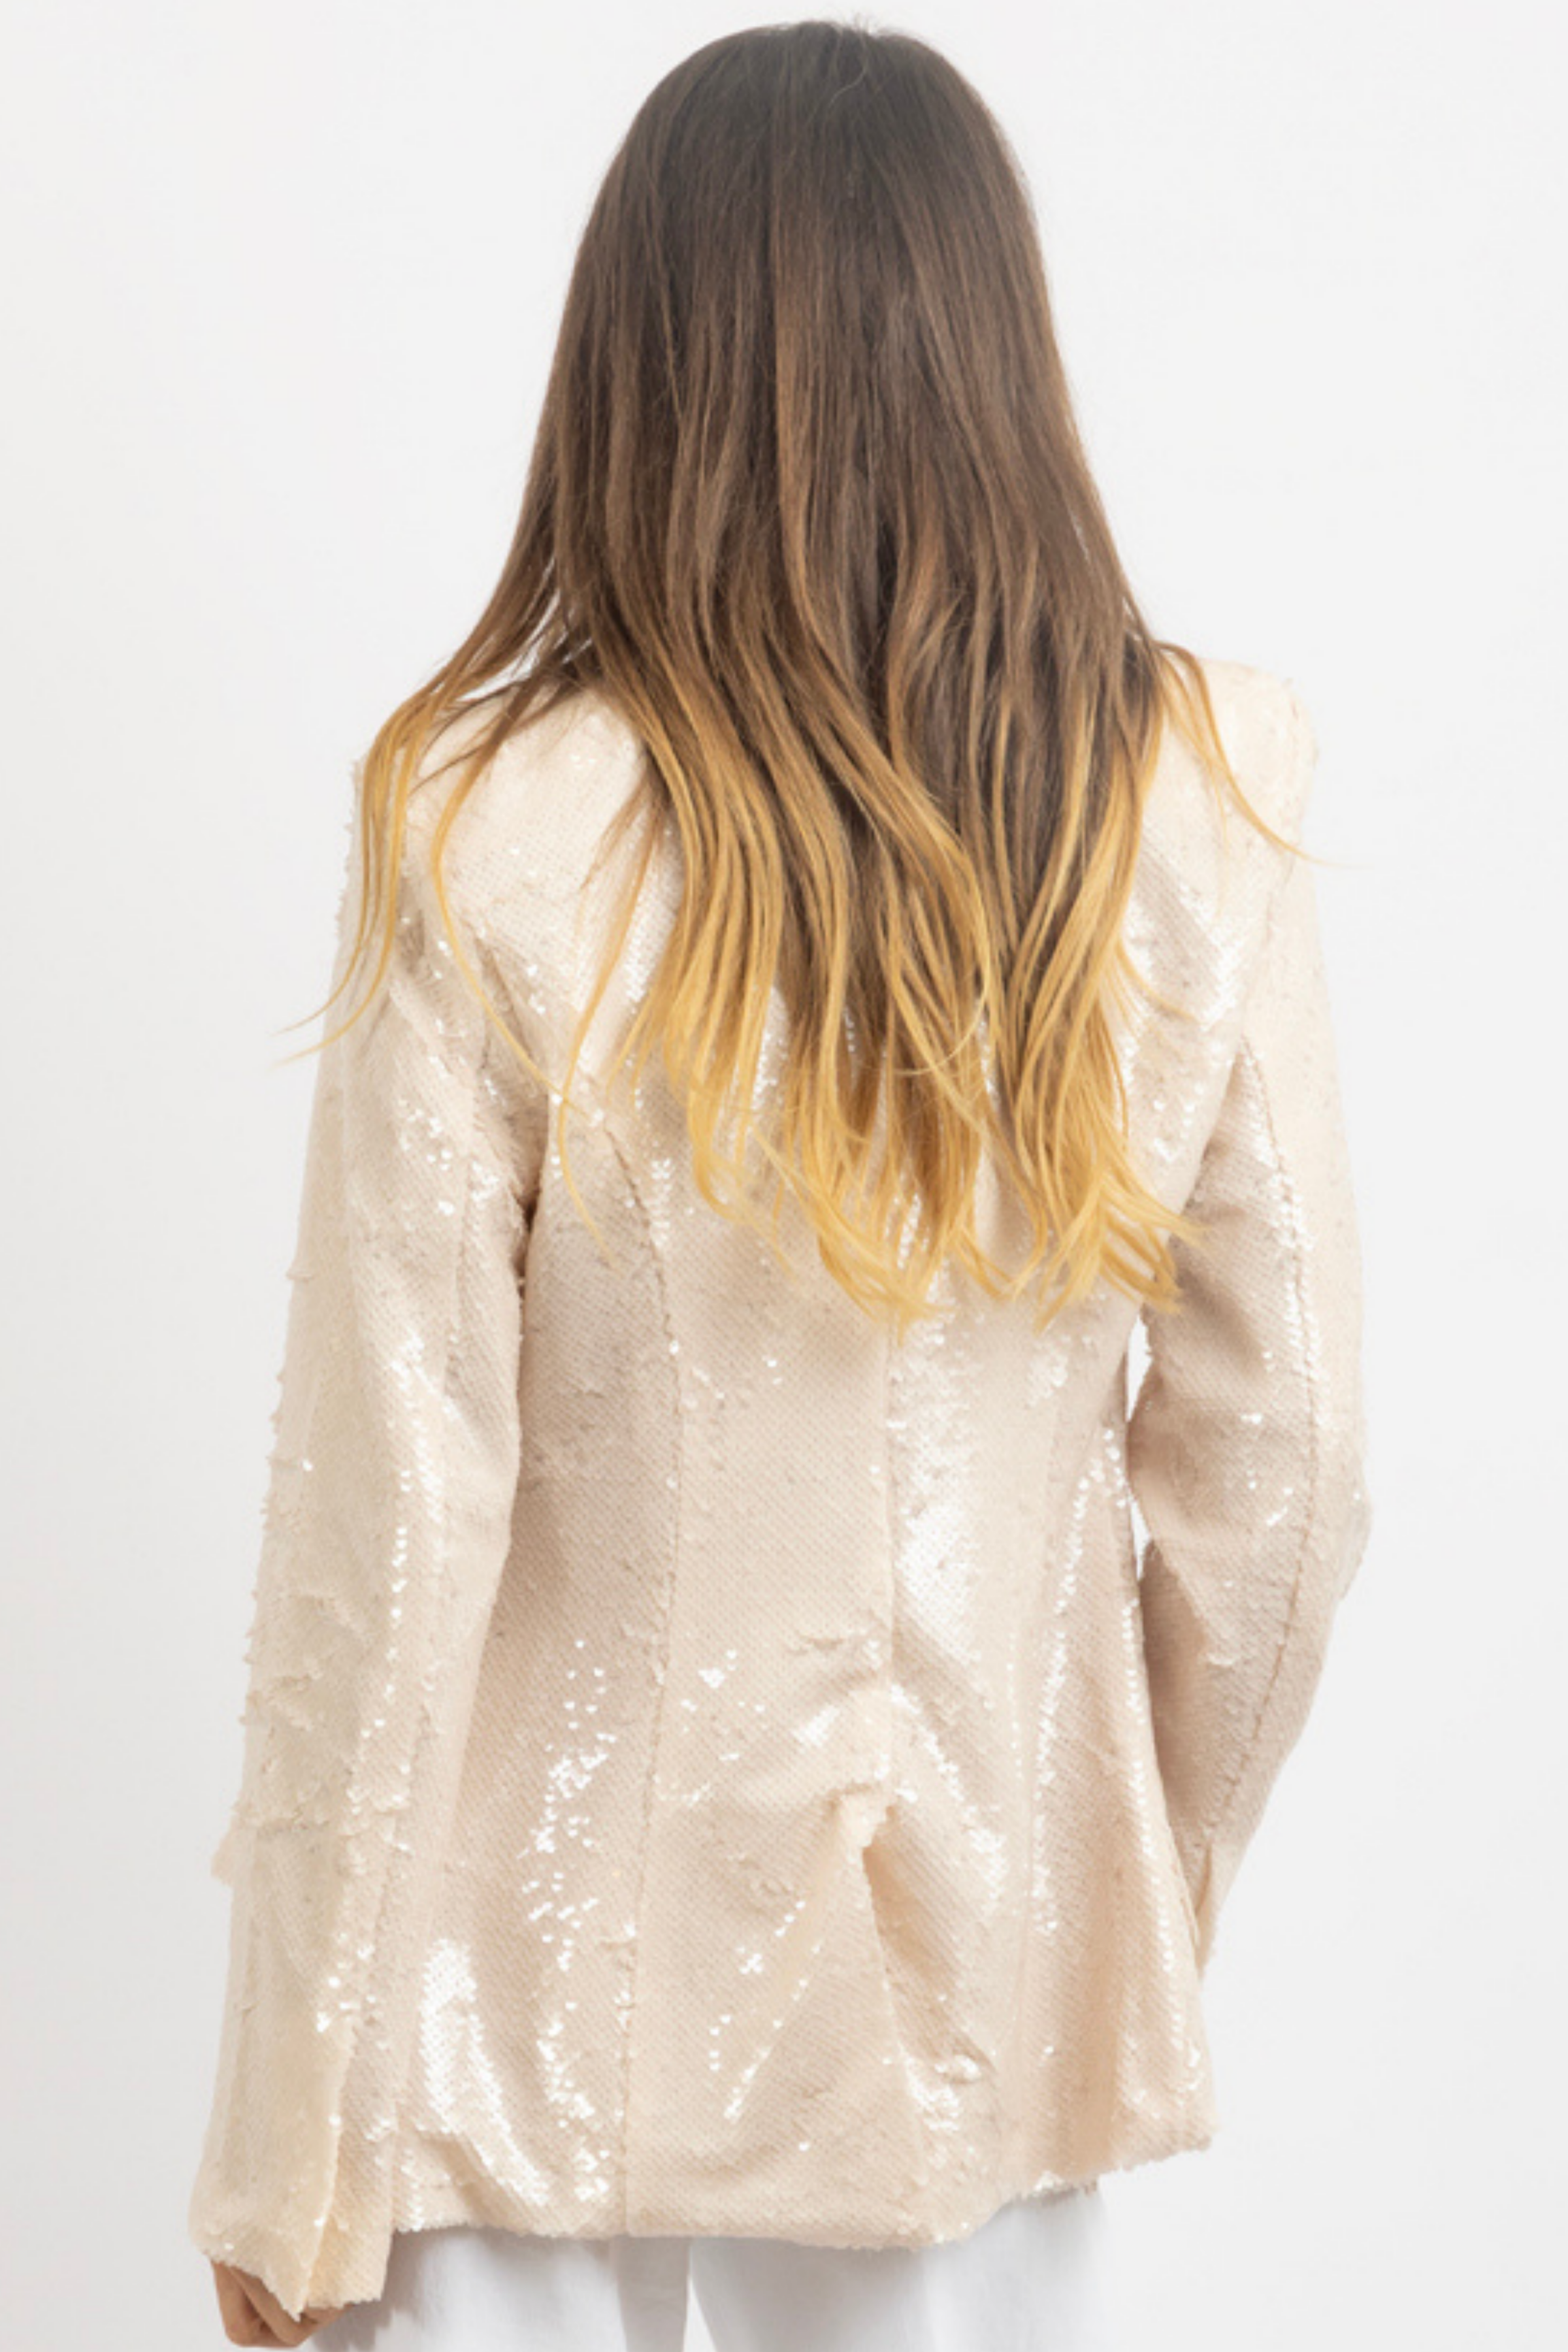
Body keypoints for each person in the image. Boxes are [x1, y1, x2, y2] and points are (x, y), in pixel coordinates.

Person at [189, 21, 1372, 2351]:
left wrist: (290, 2134)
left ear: (632, 366)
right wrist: (1114, 1903)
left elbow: (388, 1530)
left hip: (502, 2030)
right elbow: (1292, 1470)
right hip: (971, 2014)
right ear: (997, 349)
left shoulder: (482, 824)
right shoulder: (1196, 799)